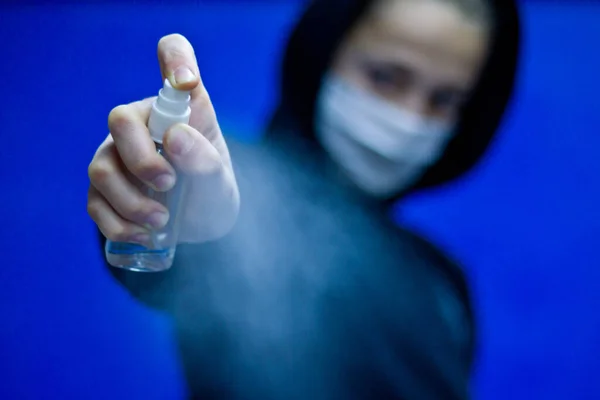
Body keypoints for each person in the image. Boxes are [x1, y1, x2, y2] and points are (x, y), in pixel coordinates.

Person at [87, 0, 520, 398]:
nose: (411, 116)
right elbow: (195, 239)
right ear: (322, 52)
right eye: (386, 76)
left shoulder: (442, 283)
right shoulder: (246, 202)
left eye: (445, 100)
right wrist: (160, 186)